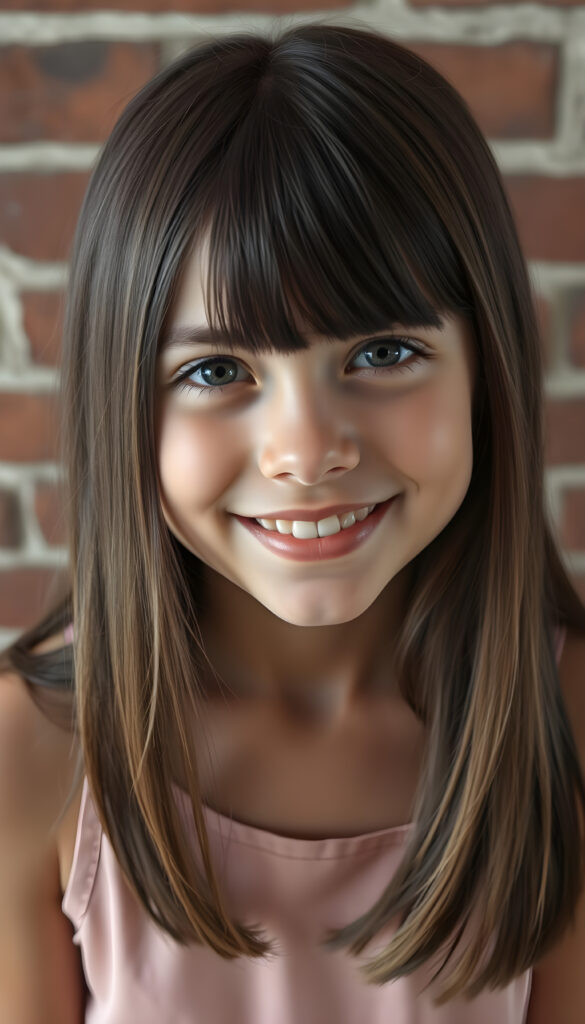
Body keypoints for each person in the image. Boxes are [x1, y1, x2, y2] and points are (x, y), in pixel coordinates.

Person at [1, 20, 585, 1024]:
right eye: (218, 371)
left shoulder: (564, 720)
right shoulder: (35, 754)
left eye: (384, 353)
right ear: (119, 402)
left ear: (487, 367)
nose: (307, 450)